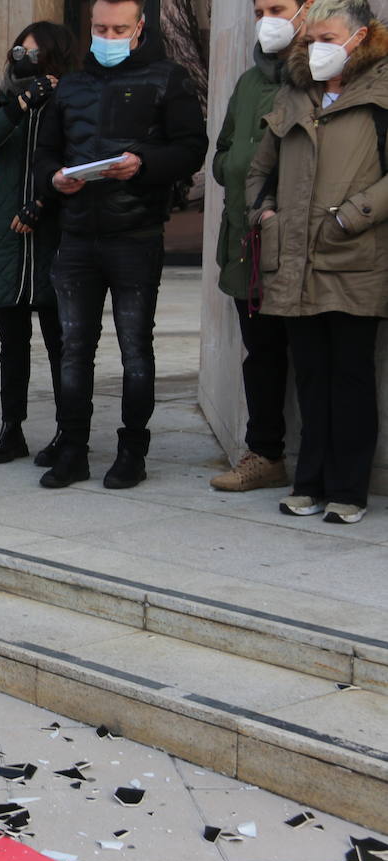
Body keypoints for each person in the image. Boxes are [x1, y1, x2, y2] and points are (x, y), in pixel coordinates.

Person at [34, 0, 207, 489]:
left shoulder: (166, 78)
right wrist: (54, 179)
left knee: (135, 348)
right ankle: (72, 448)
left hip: (135, 235)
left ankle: (133, 450)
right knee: (73, 350)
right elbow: (45, 153)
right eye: (100, 27)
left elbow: (192, 147)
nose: (107, 36)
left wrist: (143, 164)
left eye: (118, 28)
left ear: (139, 28)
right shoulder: (70, 85)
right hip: (76, 237)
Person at [247, 0, 388, 524]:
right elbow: (259, 169)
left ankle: (349, 490)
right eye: (312, 40)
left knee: (350, 376)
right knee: (309, 378)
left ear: (360, 37)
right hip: (294, 260)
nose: (316, 48)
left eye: (329, 37)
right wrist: (263, 215)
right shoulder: (294, 94)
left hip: (354, 258)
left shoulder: (381, 93)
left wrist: (354, 215)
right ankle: (309, 483)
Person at [209, 0, 308, 493]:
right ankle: (265, 454)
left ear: (305, 9)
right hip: (243, 244)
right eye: (260, 8)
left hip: (292, 242)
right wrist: (232, 169)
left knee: (311, 358)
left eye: (279, 7)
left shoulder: (314, 77)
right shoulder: (250, 81)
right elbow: (224, 147)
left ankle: (319, 465)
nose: (267, 17)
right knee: (260, 354)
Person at [0, 22, 76, 468]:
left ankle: (67, 431)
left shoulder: (72, 100)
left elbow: (79, 164)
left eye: (33, 54)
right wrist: (19, 104)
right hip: (10, 240)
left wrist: (42, 204)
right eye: (19, 52)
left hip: (53, 236)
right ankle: (11, 429)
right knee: (11, 344)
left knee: (60, 342)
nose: (23, 61)